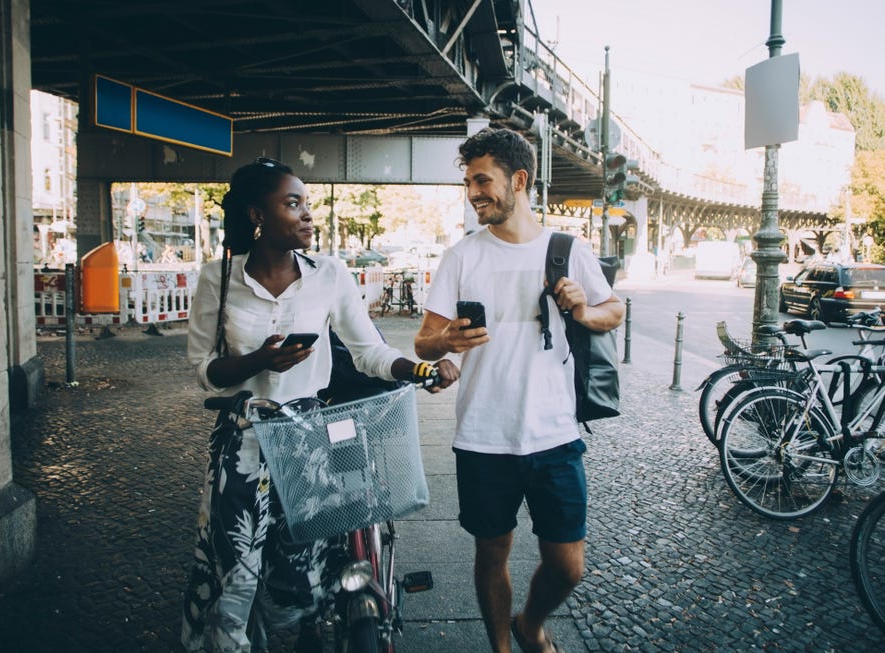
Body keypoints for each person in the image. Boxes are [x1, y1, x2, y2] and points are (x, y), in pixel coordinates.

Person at [180, 156, 459, 653]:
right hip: (242, 444)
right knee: (236, 575)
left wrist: (416, 370)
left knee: (304, 574)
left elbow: (368, 350)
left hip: (306, 439)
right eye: (293, 203)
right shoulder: (215, 278)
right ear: (255, 215)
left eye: (307, 203)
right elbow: (204, 369)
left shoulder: (329, 274)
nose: (308, 214)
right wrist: (257, 362)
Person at [414, 127, 625, 653]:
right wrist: (447, 340)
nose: (474, 192)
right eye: (468, 182)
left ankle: (530, 622)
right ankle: (503, 648)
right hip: (483, 436)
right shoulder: (462, 257)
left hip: (554, 433)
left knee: (568, 566)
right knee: (492, 552)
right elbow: (423, 342)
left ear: (520, 180)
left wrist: (582, 308)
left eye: (483, 180)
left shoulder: (568, 250)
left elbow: (613, 310)